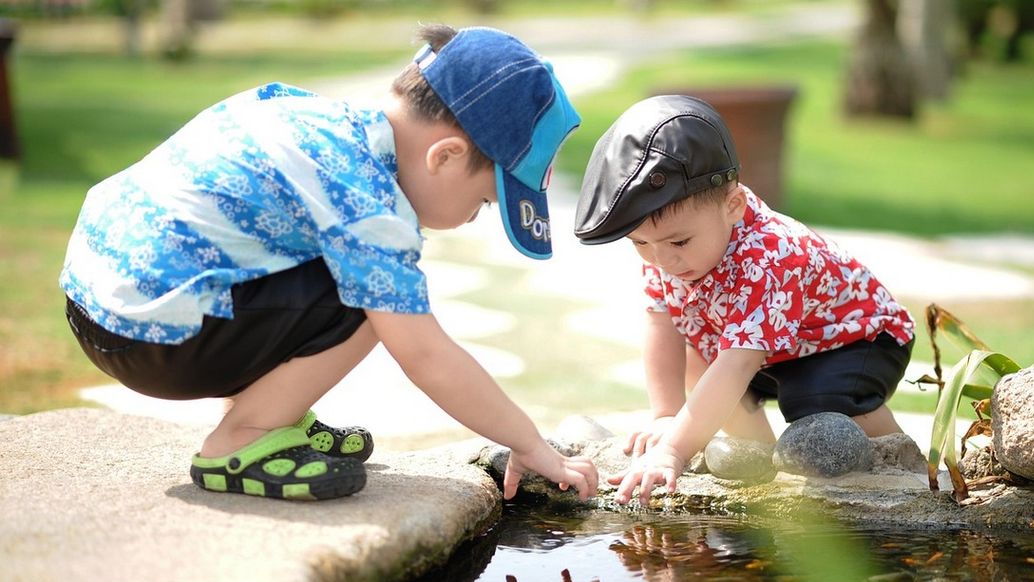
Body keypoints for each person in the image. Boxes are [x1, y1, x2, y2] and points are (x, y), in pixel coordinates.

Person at [60, 25, 598, 502]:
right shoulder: (367, 201)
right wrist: (528, 443)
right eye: (484, 203)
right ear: (446, 156)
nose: (471, 218)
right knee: (377, 301)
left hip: (100, 302)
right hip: (151, 337)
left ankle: (274, 414)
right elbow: (425, 355)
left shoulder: (316, 118)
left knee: (349, 272)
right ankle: (242, 440)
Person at [573, 95, 915, 505]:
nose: (663, 259)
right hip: (771, 349)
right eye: (640, 243)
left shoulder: (771, 255)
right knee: (698, 355)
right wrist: (666, 415)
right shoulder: (668, 250)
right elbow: (661, 323)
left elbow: (739, 363)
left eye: (678, 241)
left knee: (815, 403)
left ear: (733, 205)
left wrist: (673, 450)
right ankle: (758, 464)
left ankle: (900, 463)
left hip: (855, 340)